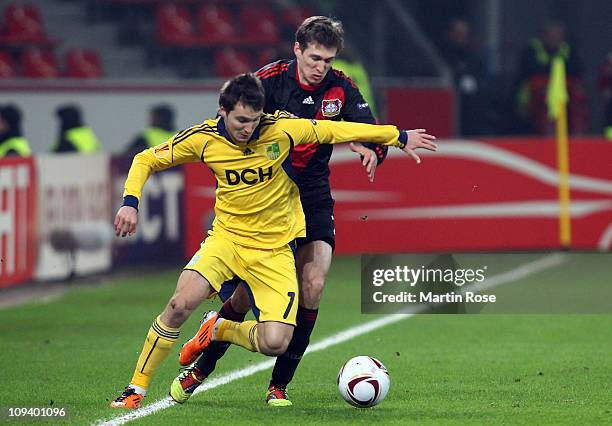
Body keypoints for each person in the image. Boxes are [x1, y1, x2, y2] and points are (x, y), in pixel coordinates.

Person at [109, 72, 436, 409]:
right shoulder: (203, 139)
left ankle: (218, 329)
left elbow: (336, 130)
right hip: (227, 241)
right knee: (179, 305)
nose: (247, 128)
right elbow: (145, 159)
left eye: (253, 120)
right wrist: (130, 202)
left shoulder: (281, 128)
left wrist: (396, 136)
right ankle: (135, 388)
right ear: (222, 111)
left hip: (274, 250)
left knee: (276, 342)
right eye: (240, 120)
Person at [171, 16, 392, 407]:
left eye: (327, 59)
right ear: (297, 50)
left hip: (314, 193)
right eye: (314, 57)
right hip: (269, 197)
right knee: (242, 298)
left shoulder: (342, 86)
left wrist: (373, 148)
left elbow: (368, 126)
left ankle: (278, 386)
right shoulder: (267, 82)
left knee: (314, 286)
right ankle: (201, 367)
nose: (320, 66)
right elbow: (230, 125)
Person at [515, 21, 587, 134]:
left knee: (578, 93)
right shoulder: (531, 50)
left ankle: (578, 134)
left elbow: (577, 70)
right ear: (543, 36)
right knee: (543, 92)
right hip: (535, 93)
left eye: (558, 36)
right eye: (551, 35)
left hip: (565, 92)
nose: (554, 39)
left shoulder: (569, 50)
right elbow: (529, 70)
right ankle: (545, 133)